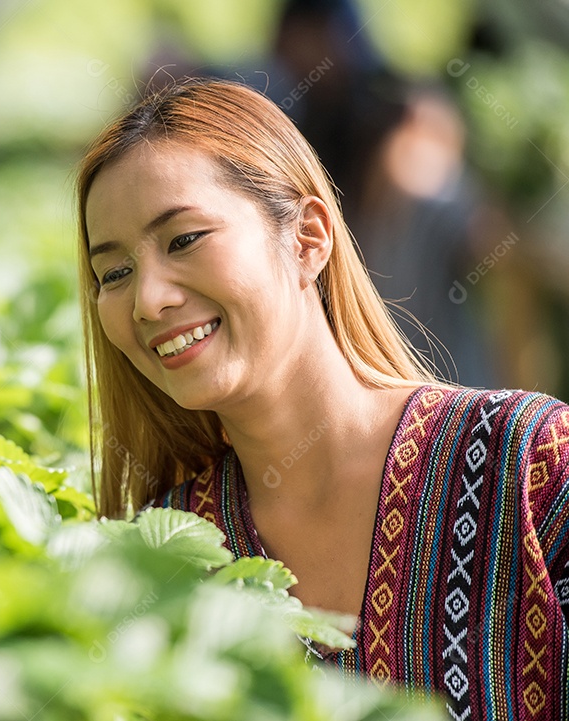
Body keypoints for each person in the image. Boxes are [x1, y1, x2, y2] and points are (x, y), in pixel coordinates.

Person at [76, 79, 569, 719]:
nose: (148, 300)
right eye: (114, 272)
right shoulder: (163, 553)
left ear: (308, 238)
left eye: (184, 239)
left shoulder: (533, 465)